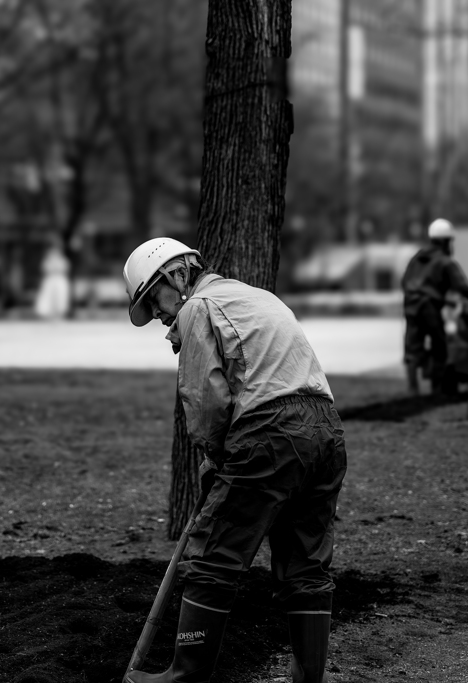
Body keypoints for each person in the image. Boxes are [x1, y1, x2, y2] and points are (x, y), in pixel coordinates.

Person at [121, 238, 348, 683]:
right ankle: (308, 678)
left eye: (155, 299)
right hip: (326, 432)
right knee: (306, 562)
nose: (159, 315)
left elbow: (207, 402)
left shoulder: (197, 307)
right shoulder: (255, 297)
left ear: (179, 275)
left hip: (270, 430)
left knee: (213, 556)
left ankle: (185, 676)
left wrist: (217, 456)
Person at [400, 218, 468, 395]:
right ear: (446, 242)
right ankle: (437, 390)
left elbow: (405, 281)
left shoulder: (417, 258)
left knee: (413, 347)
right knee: (439, 345)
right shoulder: (445, 261)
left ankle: (413, 390)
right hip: (429, 307)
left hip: (411, 305)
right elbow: (462, 287)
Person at [33, 235, 70, 320]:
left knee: (60, 297)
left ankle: (58, 314)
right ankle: (48, 315)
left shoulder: (62, 258)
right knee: (48, 297)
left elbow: (65, 267)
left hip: (59, 279)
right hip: (51, 279)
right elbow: (45, 267)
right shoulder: (48, 256)